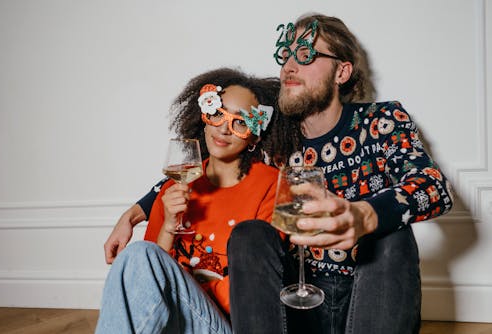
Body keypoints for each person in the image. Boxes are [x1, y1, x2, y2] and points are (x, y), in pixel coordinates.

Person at [226, 13, 454, 334]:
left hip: (368, 299)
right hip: (295, 301)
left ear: (341, 72)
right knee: (249, 234)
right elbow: (212, 149)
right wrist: (143, 206)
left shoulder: (381, 120)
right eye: (286, 55)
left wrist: (366, 216)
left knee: (393, 234)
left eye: (306, 55)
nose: (289, 66)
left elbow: (434, 188)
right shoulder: (271, 129)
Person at [95, 67, 280, 333]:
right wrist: (169, 225)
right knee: (137, 253)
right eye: (216, 113)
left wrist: (182, 286)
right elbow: (148, 274)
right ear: (203, 117)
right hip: (168, 320)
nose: (224, 129)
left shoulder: (271, 186)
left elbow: (256, 288)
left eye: (240, 122)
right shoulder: (175, 185)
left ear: (255, 136)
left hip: (223, 323)